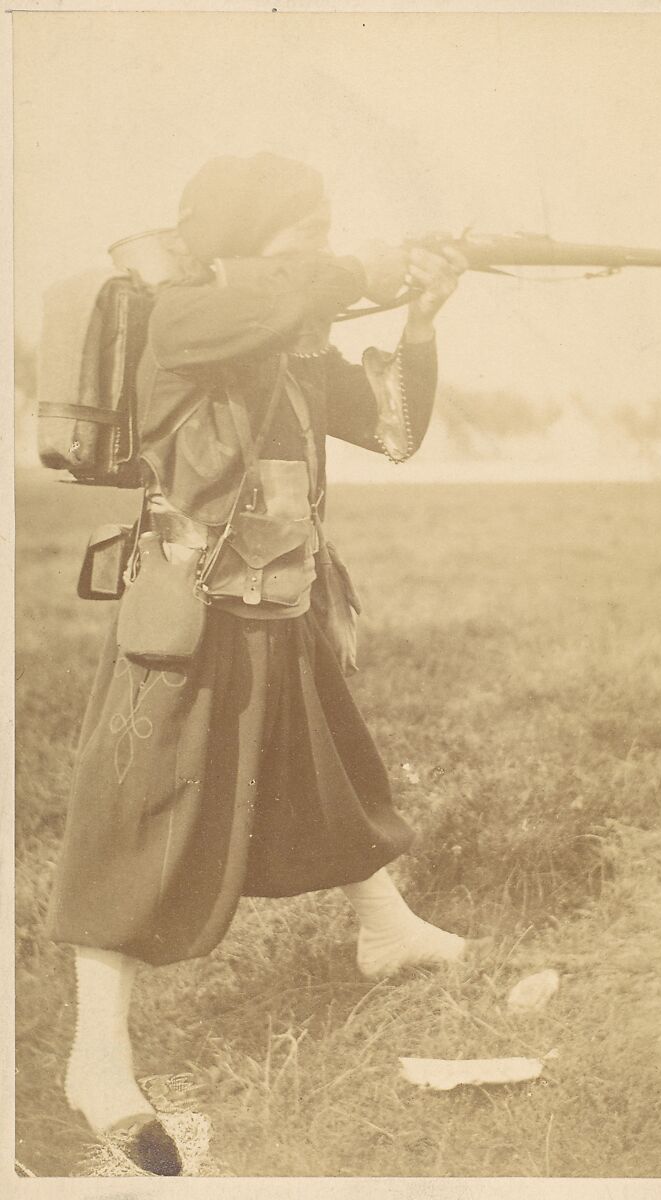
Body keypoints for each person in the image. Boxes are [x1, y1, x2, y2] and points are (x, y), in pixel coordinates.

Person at [44, 152, 486, 1175]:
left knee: (327, 769)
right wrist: (359, 270)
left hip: (282, 606)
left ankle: (387, 930)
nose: (320, 246)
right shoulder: (185, 318)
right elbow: (251, 306)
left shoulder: (282, 343)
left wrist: (418, 316)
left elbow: (393, 428)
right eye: (304, 228)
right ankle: (93, 1057)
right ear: (245, 238)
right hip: (191, 621)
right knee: (138, 826)